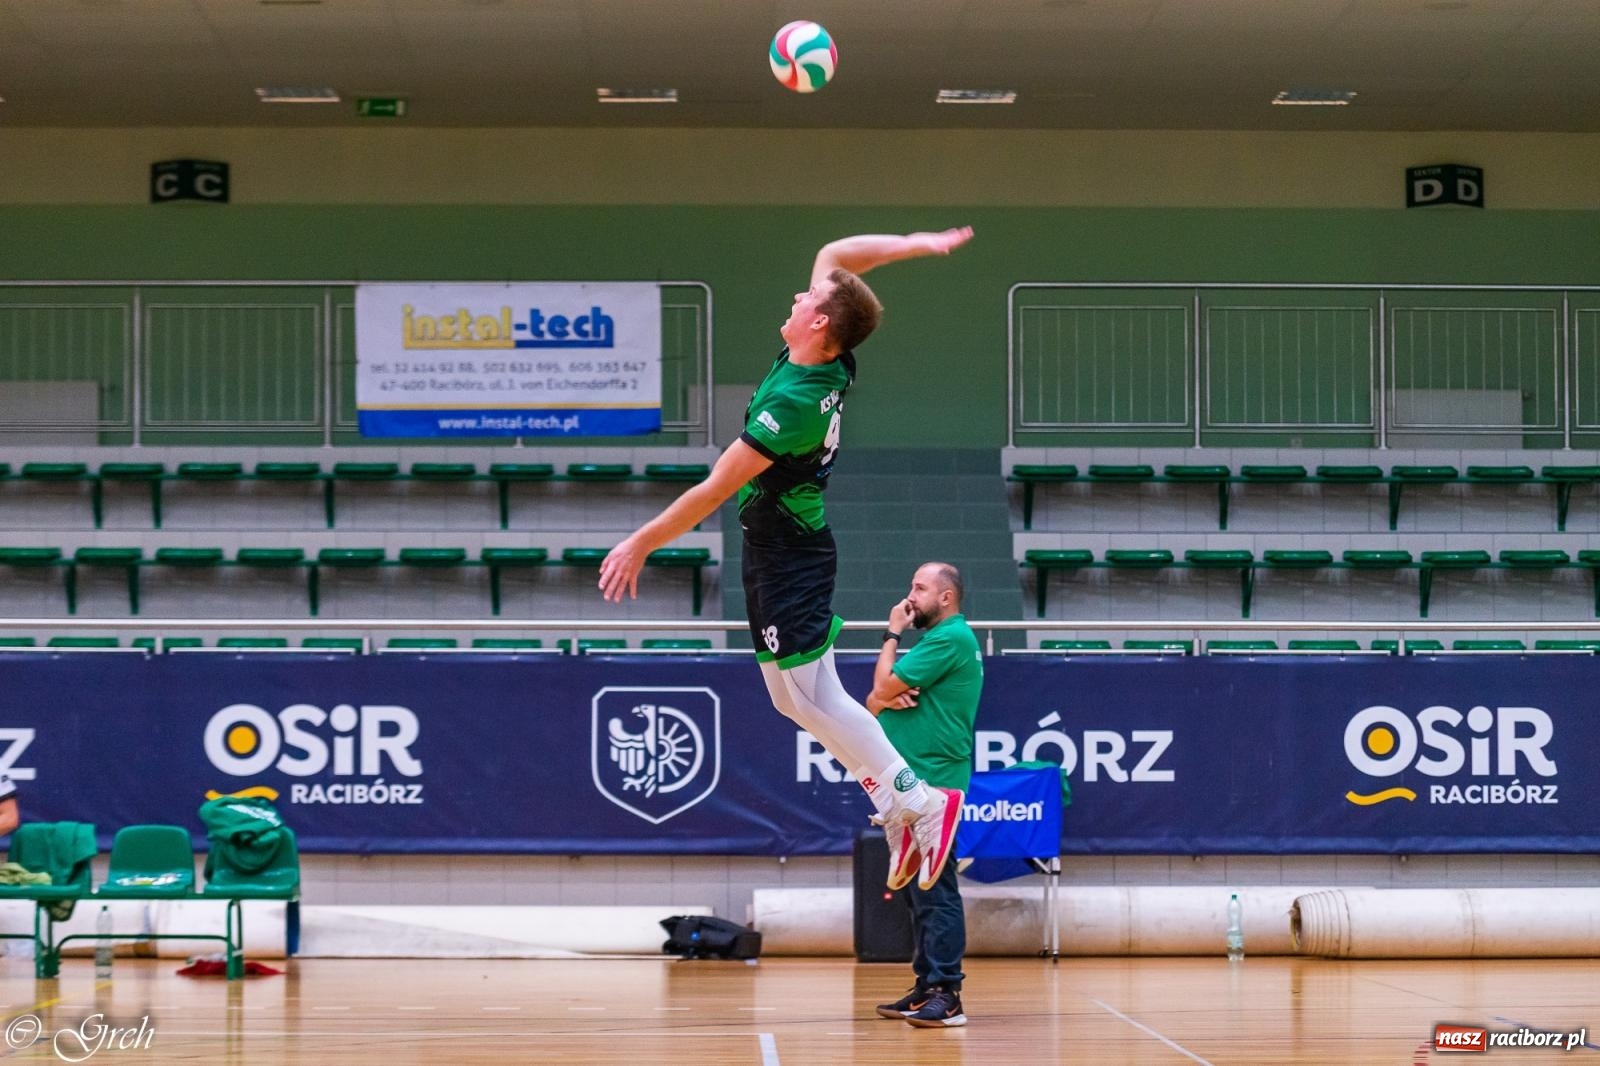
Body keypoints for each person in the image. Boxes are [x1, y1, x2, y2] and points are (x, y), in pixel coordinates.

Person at [599, 227, 974, 889]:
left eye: (808, 297)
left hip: (792, 556)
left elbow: (715, 488)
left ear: (820, 321)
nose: (800, 292)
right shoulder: (825, 357)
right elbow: (836, 253)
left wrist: (640, 543)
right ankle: (893, 800)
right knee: (790, 699)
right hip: (769, 547)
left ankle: (918, 799)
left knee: (814, 693)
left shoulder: (793, 406)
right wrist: (916, 244)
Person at [865, 562, 982, 1029]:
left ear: (946, 597)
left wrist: (892, 633)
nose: (909, 595)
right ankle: (925, 985)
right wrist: (883, 694)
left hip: (936, 783)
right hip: (908, 781)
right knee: (917, 891)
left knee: (937, 888)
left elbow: (880, 688)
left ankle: (947, 993)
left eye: (919, 587)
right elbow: (874, 704)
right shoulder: (935, 642)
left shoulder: (950, 638)